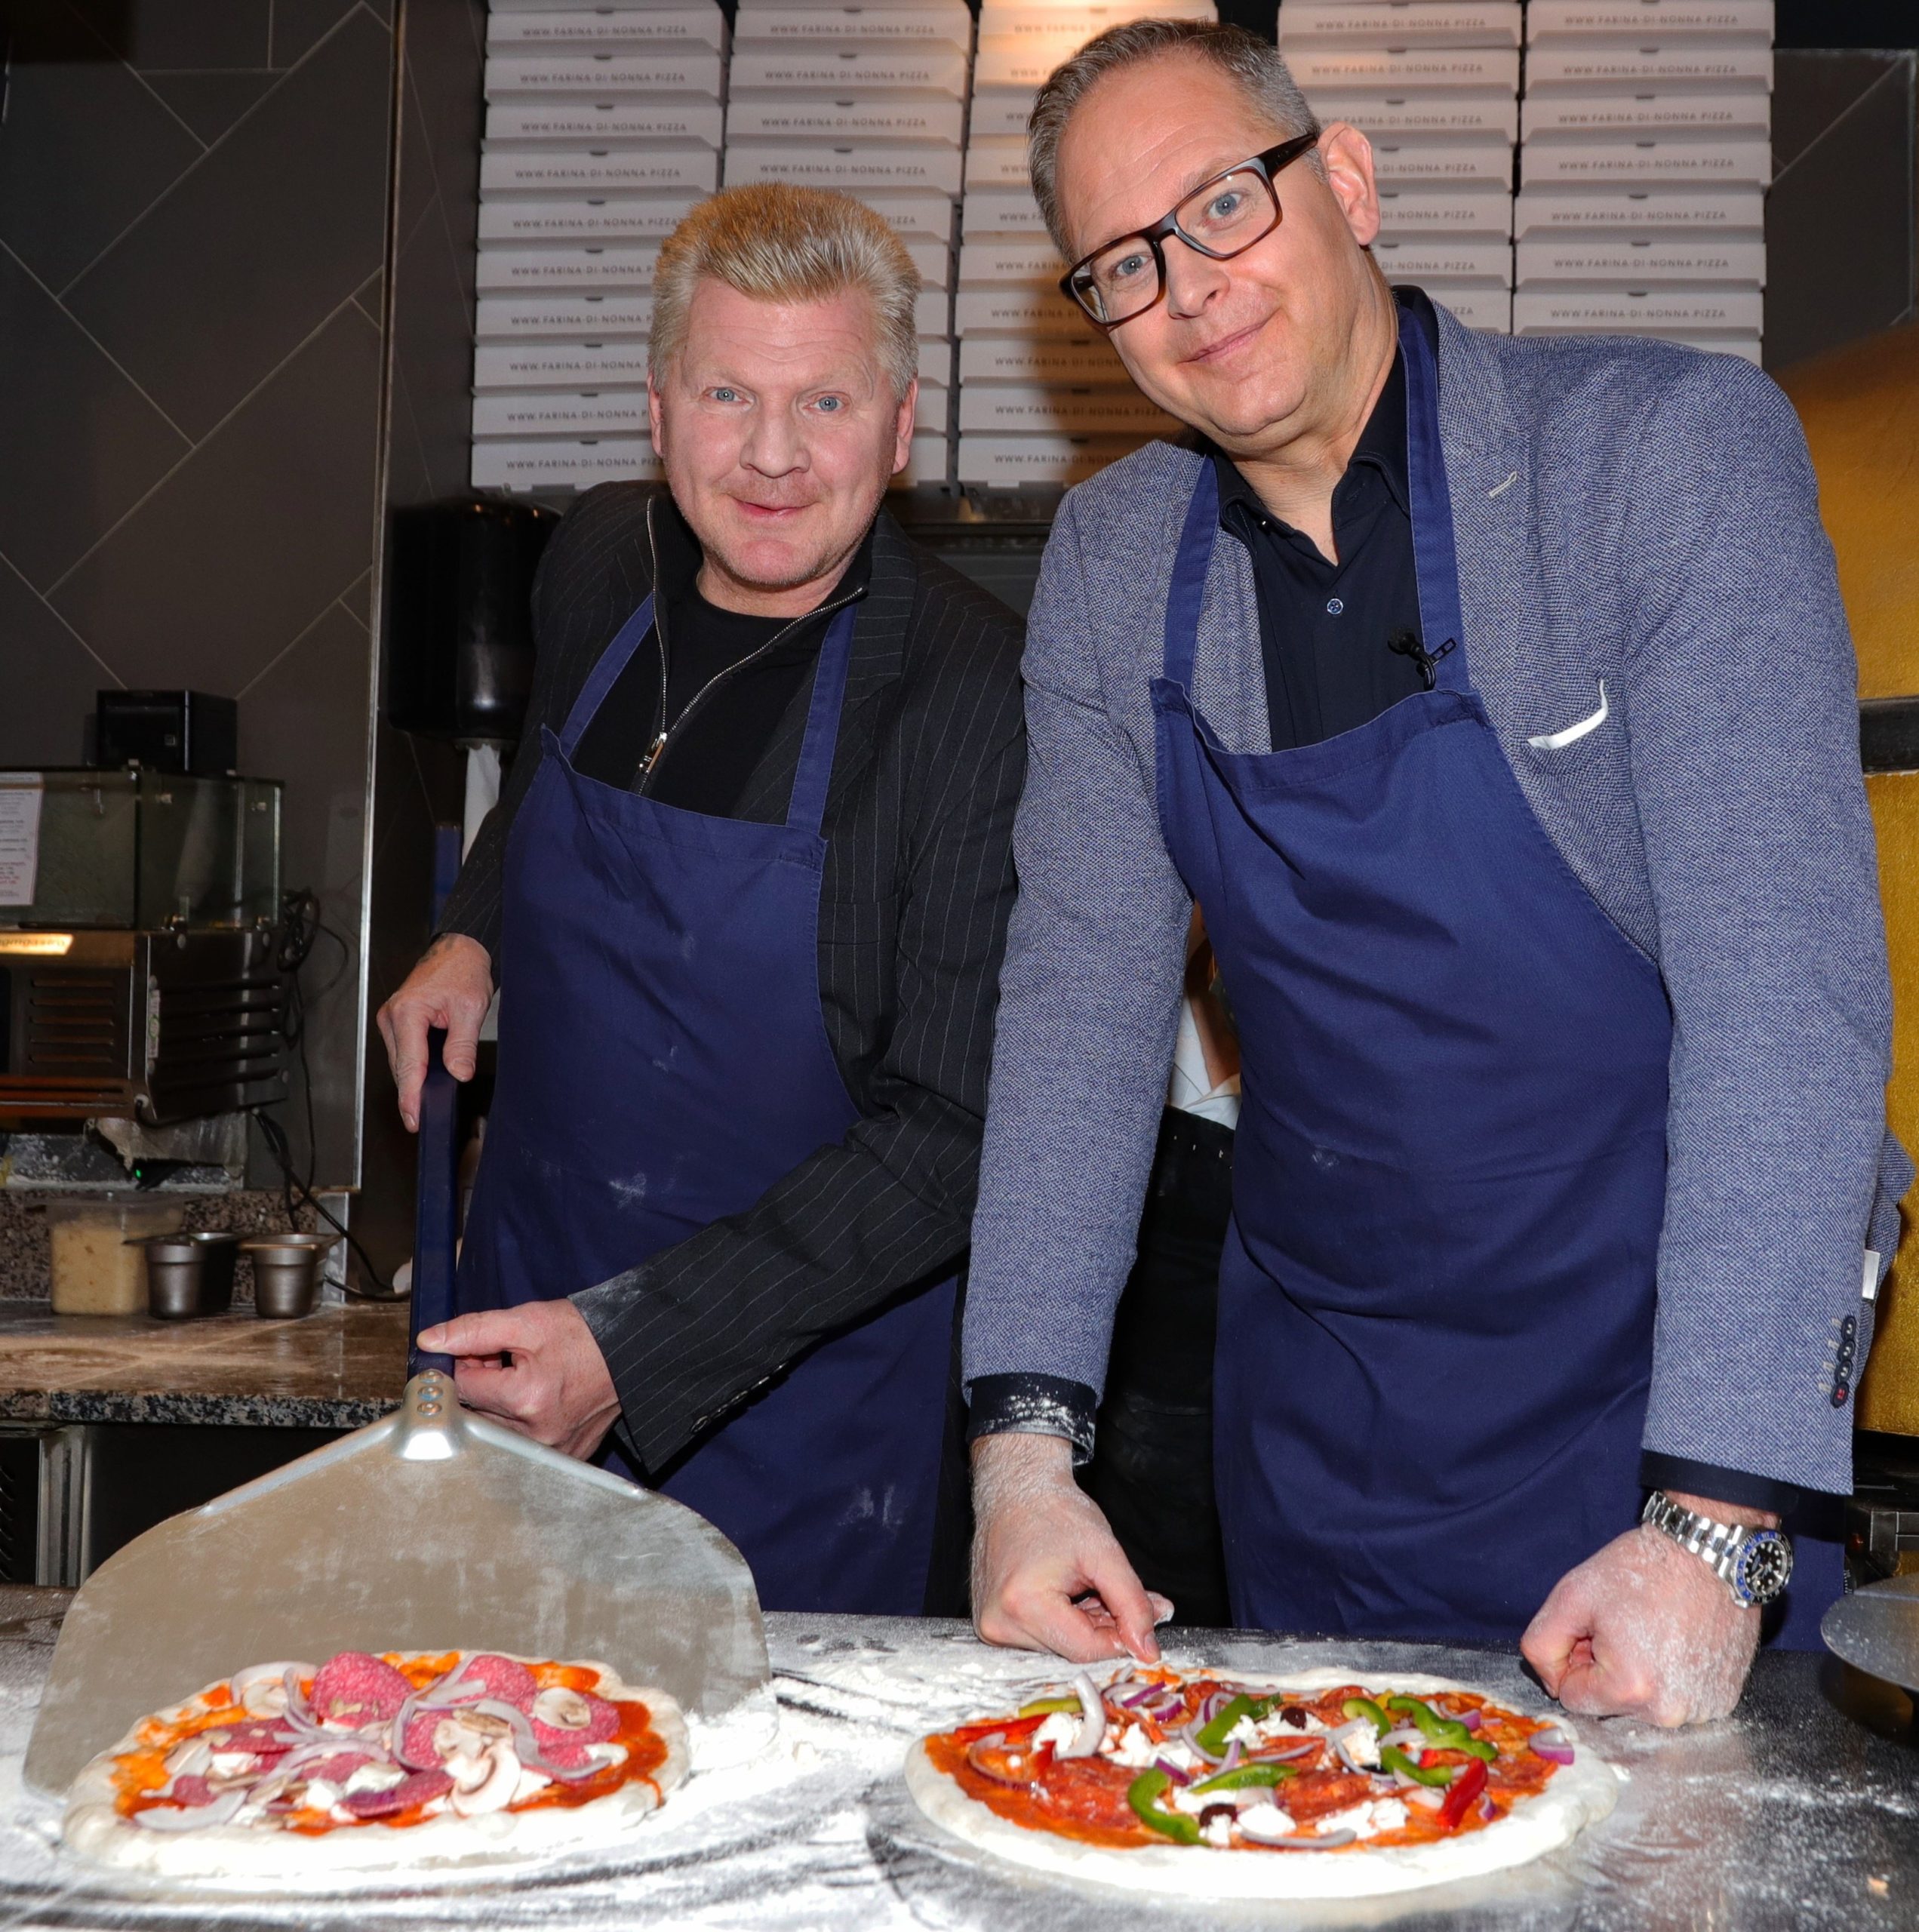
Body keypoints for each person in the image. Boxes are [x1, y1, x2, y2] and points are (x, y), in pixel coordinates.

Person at [961, 21, 1909, 1724]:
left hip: (1667, 1408)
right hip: (1334, 1434)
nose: (1190, 286)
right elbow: (1076, 1019)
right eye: (1123, 263)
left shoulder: (1659, 457)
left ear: (1347, 181)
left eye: (1224, 206)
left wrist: (1715, 1517)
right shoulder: (1112, 569)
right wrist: (1023, 1459)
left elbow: (1789, 993)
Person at [377, 185, 1026, 1617]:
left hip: (789, 1410)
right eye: (729, 393)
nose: (775, 458)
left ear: (903, 425)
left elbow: (955, 1134)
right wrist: (475, 925)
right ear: (661, 410)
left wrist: (634, 1349)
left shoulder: (974, 698)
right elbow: (545, 780)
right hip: (511, 1331)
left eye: (828, 401)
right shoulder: (602, 557)